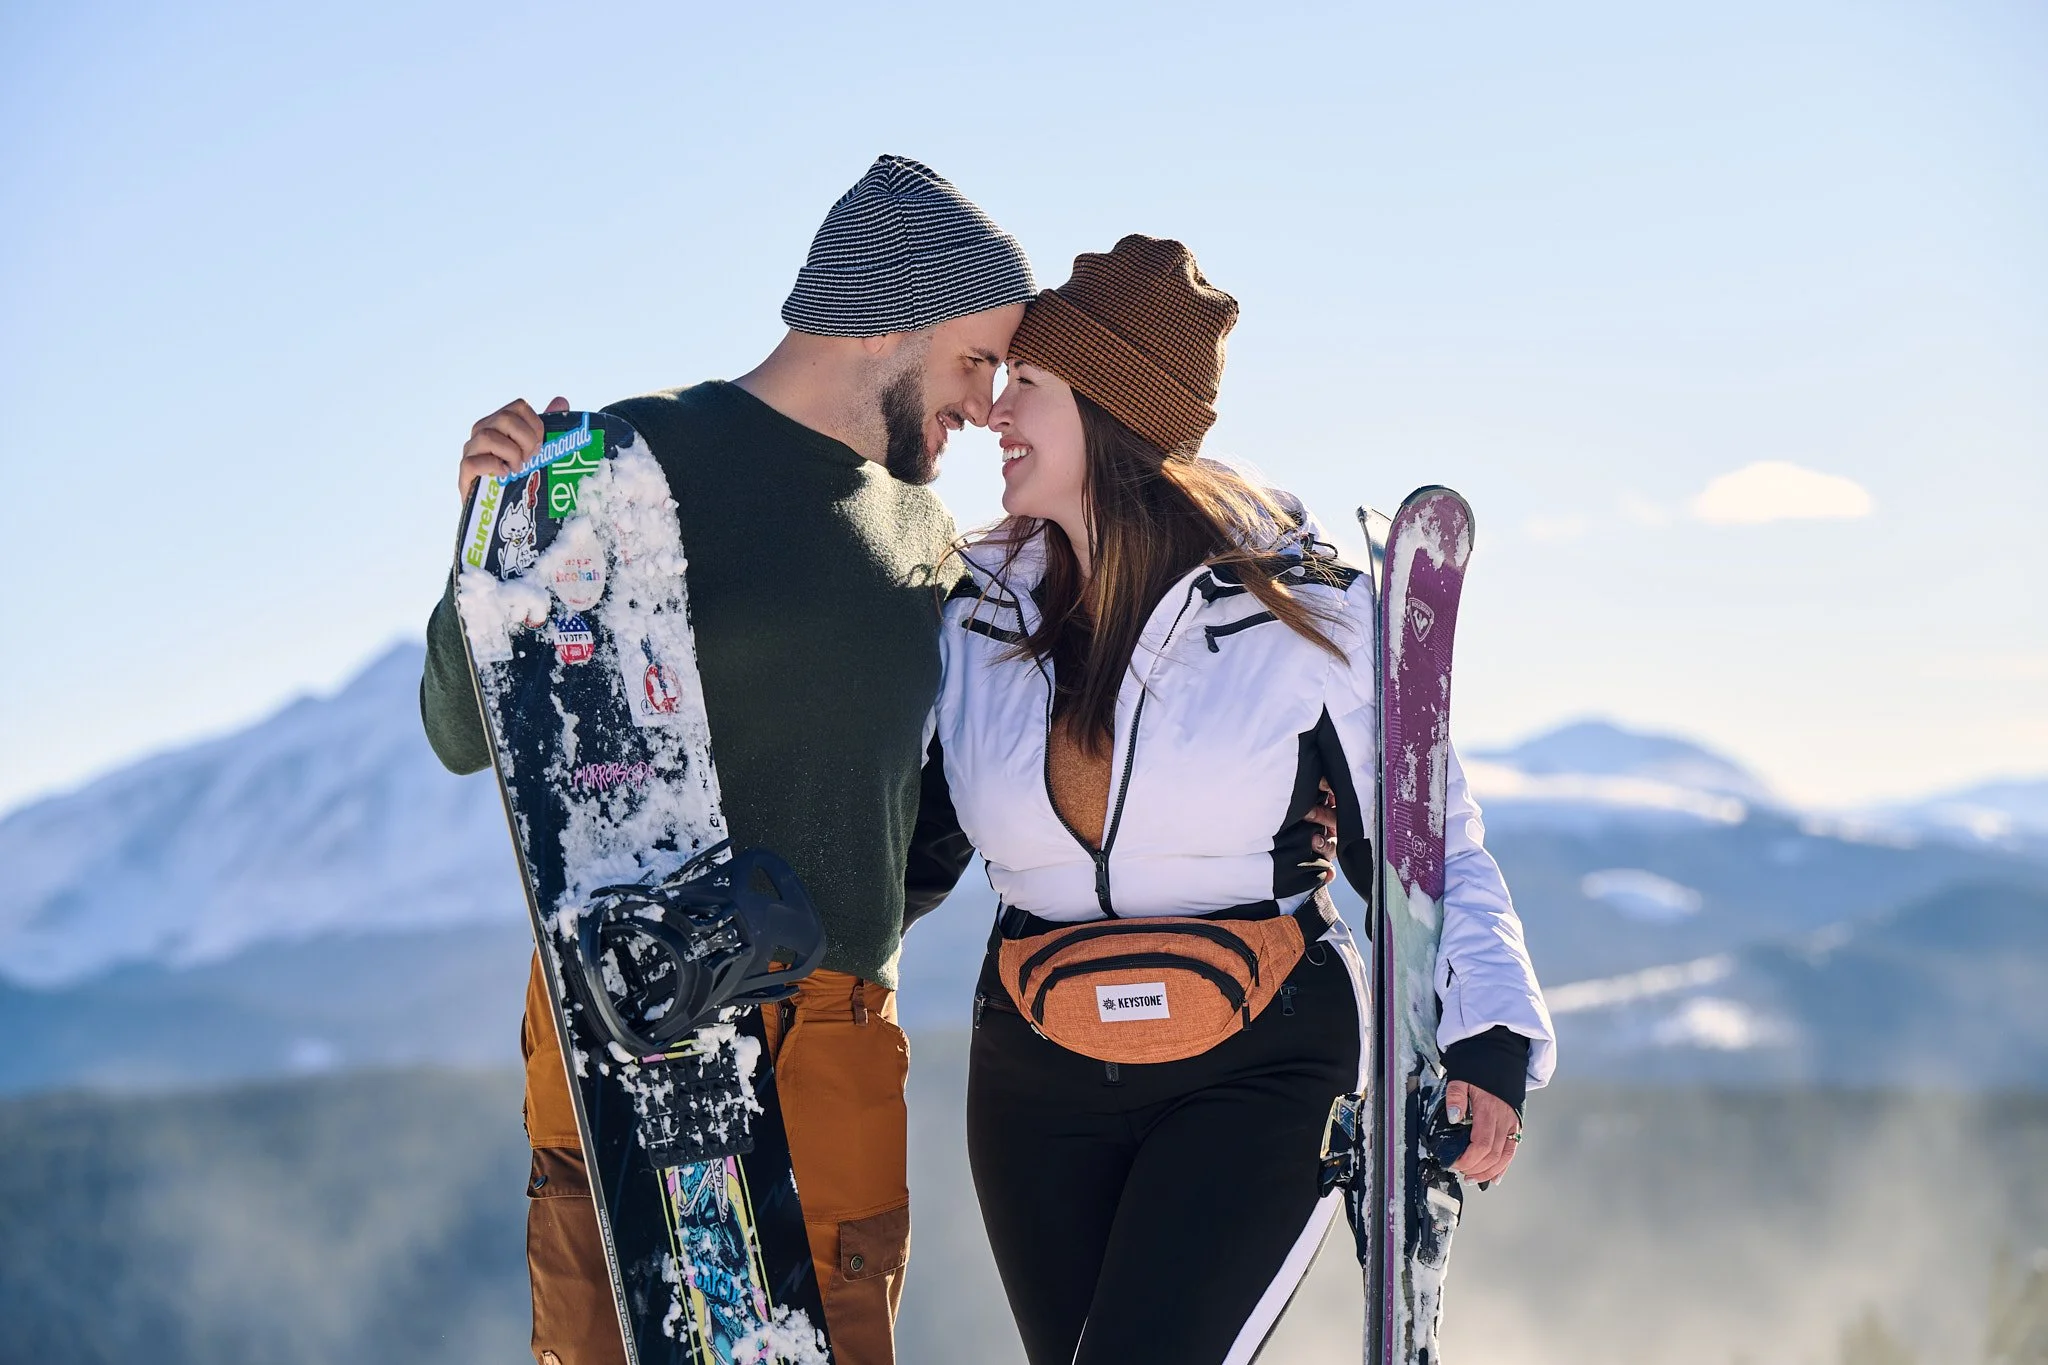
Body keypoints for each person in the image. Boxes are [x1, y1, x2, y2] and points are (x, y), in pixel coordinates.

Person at [418, 153, 1036, 1365]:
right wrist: (488, 538)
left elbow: (924, 808)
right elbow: (459, 729)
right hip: (621, 1019)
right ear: (888, 317)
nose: (985, 403)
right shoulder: (624, 464)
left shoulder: (928, 537)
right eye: (975, 359)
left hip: (832, 1036)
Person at [914, 235, 1557, 1365]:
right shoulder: (974, 613)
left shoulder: (1300, 619)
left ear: (1110, 408)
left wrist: (1489, 1034)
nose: (997, 413)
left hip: (1257, 1058)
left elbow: (1424, 850)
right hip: (1035, 1068)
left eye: (1030, 383)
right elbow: (912, 849)